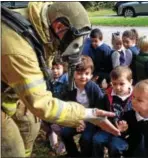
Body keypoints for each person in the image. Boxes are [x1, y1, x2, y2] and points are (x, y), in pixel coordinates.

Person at [1, 2, 120, 157]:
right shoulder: (18, 49)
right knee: (11, 148)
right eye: (73, 39)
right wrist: (89, 114)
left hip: (8, 87)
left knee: (30, 125)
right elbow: (42, 106)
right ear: (58, 27)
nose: (75, 47)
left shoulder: (44, 21)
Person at [61, 55, 104, 157]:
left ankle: (86, 155)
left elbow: (100, 107)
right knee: (65, 133)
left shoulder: (94, 88)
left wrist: (87, 121)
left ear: (91, 74)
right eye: (79, 73)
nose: (83, 76)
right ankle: (73, 154)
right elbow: (67, 105)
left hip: (91, 119)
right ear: (73, 74)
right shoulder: (69, 87)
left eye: (87, 74)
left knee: (85, 139)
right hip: (76, 117)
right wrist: (78, 121)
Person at [93, 66, 133, 158]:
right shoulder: (106, 96)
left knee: (115, 146)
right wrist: (111, 124)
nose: (117, 87)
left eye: (122, 84)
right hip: (109, 128)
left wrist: (127, 127)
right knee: (97, 140)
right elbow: (100, 113)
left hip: (126, 133)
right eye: (114, 84)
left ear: (130, 82)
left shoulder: (135, 98)